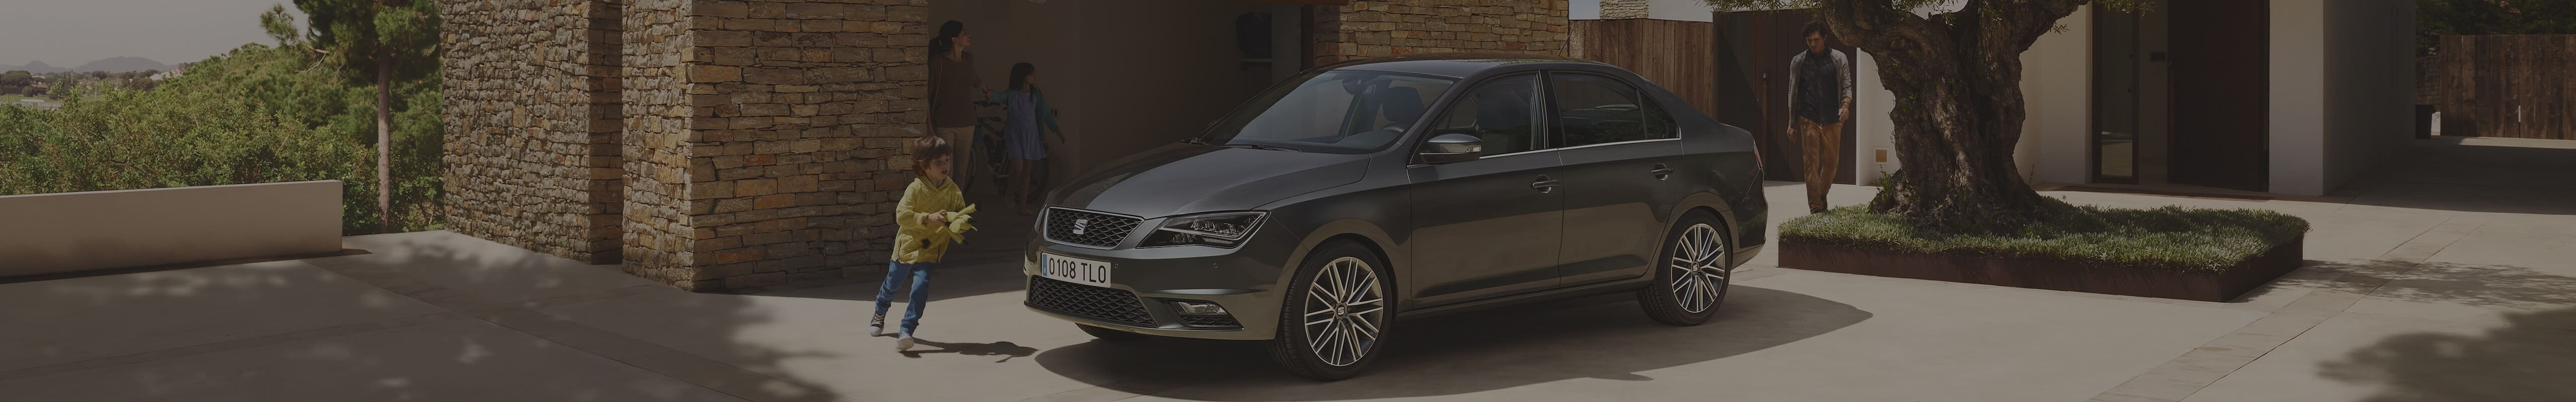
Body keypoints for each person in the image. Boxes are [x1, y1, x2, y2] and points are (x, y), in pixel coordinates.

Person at [872, 136, 965, 351]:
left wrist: (960, 222)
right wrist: (926, 218)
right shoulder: (915, 189)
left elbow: (960, 213)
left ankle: (906, 330)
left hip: (930, 250)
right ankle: (880, 310)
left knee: (920, 287)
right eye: (939, 162)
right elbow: (901, 216)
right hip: (907, 247)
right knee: (892, 284)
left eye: (947, 160)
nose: (945, 166)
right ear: (924, 166)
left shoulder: (953, 189)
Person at [1786, 20, 1854, 214]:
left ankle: (1821, 194)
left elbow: (1847, 87)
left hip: (1833, 119)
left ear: (1825, 37)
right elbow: (1792, 92)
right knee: (1811, 165)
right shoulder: (1799, 62)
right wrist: (1792, 123)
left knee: (1832, 165)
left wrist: (1846, 106)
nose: (1813, 44)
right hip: (1808, 119)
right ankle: (1816, 208)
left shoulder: (1839, 59)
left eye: (1816, 39)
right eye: (1809, 41)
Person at [989, 62, 1062, 216]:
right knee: (1018, 168)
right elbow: (997, 96)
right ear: (1023, 76)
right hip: (1015, 135)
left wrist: (1057, 131)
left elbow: (1046, 115)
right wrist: (987, 92)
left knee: (1028, 171)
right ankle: (1009, 193)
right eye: (1031, 74)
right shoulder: (1012, 93)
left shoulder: (1036, 95)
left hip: (1032, 136)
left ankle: (1022, 206)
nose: (1034, 77)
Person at [928, 21, 987, 191]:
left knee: (962, 172)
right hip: (944, 124)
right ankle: (944, 211)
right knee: (946, 171)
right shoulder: (937, 62)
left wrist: (988, 91)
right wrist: (930, 127)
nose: (968, 36)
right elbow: (927, 95)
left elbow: (975, 79)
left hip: (967, 122)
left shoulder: (969, 59)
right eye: (964, 33)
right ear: (954, 39)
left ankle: (956, 212)